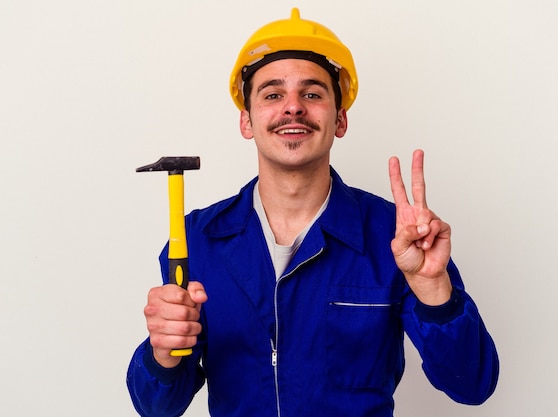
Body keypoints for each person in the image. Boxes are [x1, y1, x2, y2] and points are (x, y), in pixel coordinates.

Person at [127, 8, 499, 417]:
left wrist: (435, 293)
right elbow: (157, 408)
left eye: (312, 93)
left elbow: (473, 384)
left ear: (339, 119)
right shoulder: (198, 239)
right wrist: (162, 353)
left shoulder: (395, 237)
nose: (293, 108)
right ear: (246, 121)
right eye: (272, 94)